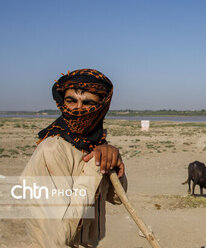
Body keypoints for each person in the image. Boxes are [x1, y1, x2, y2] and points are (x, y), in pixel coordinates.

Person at [21, 68, 127, 247]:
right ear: (63, 103)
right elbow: (58, 235)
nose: (79, 108)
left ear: (101, 108)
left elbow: (117, 198)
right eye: (71, 101)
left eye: (88, 103)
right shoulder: (51, 150)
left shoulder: (97, 145)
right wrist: (95, 166)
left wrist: (114, 163)